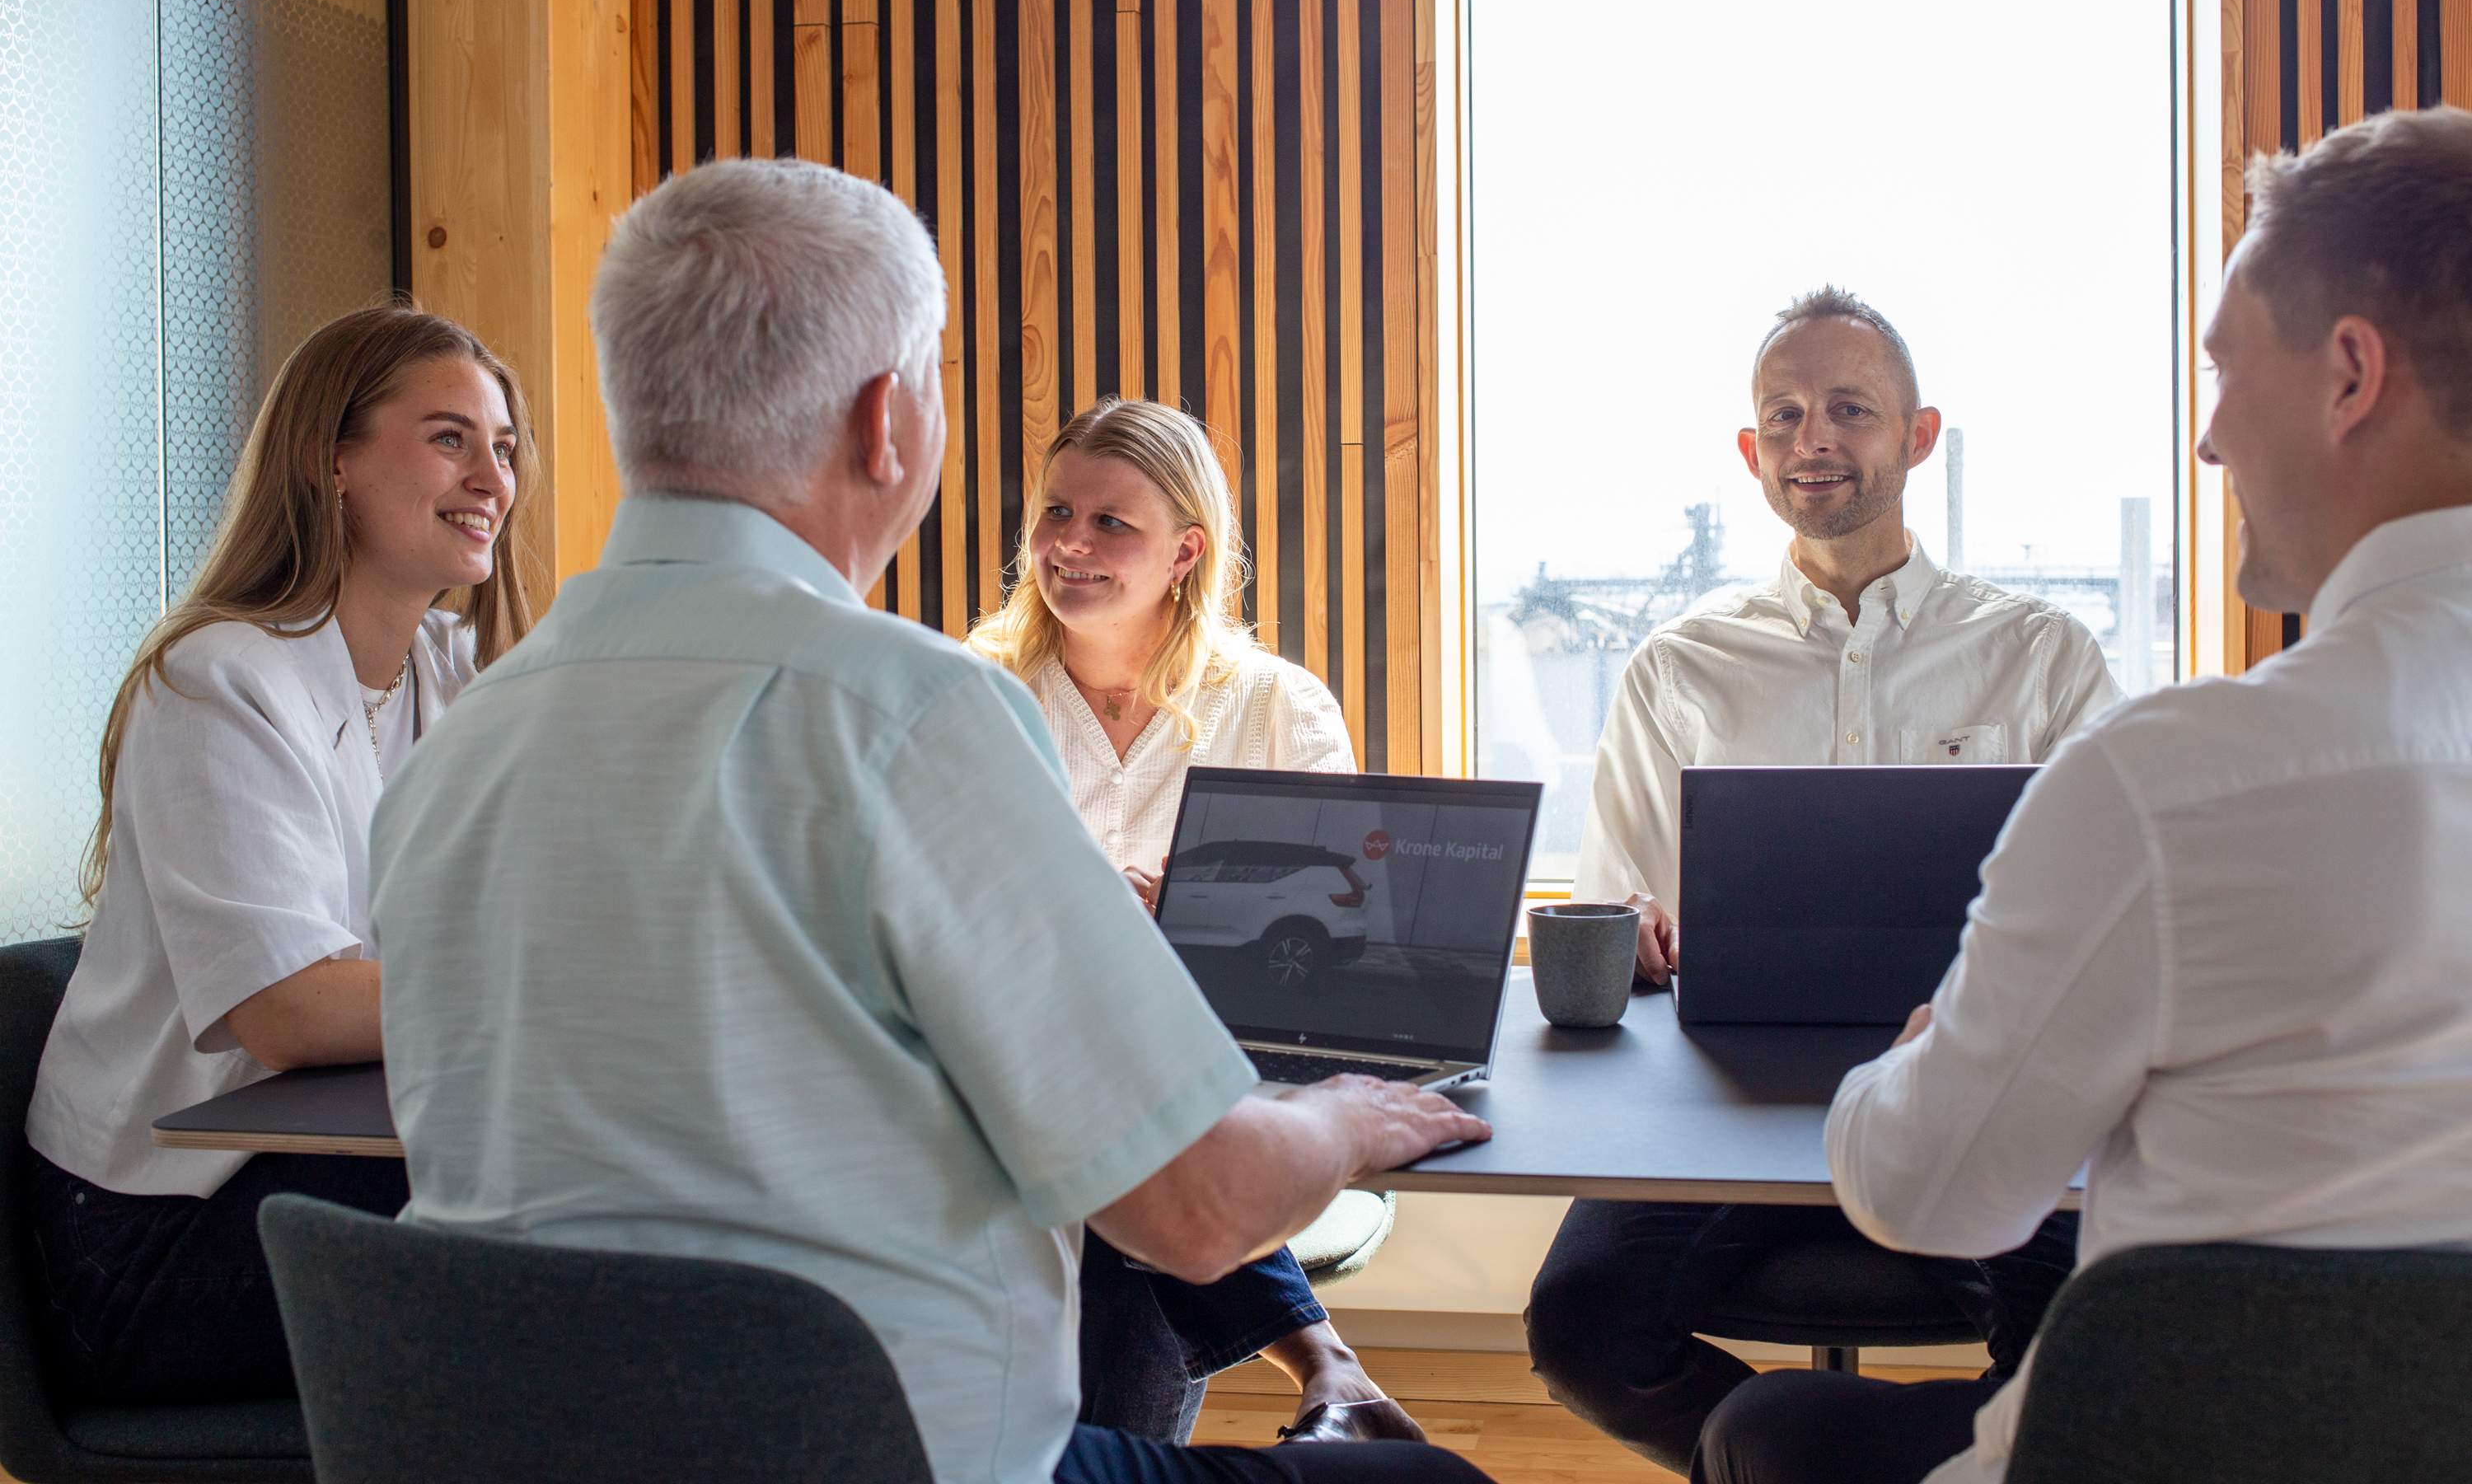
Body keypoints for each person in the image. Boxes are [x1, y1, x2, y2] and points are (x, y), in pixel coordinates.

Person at [365, 158, 1492, 1484]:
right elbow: (1198, 1209)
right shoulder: (908, 713)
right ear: (885, 420)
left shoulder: (465, 739)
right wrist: (1358, 1119)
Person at [1688, 105, 2472, 1484]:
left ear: (2351, 375)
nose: (2212, 441)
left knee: (1768, 1435)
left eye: (2228, 371)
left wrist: (1924, 1052)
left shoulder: (2169, 789)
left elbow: (1933, 1191)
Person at [1524, 287, 2119, 1472]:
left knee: (2081, 1344)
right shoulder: (1678, 668)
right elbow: (1625, 897)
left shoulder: (2044, 656)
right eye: (1786, 415)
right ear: (1752, 451)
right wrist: (1636, 925)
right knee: (1581, 1328)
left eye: (1851, 409)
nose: (1816, 439)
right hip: (1725, 1097)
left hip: (1975, 1083)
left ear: (1920, 435)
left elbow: (2110, 918)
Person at [23, 304, 532, 1404]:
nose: (493, 475)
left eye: (504, 446)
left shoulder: (452, 671)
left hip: (325, 1170)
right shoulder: (220, 680)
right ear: (330, 460)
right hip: (151, 1245)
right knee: (581, 1274)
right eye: (450, 437)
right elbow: (290, 1011)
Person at [969, 396, 1416, 1447]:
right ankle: (1324, 1359)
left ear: (1186, 552)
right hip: (1018, 1083)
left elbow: (1352, 947)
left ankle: (1221, 1406)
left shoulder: (1277, 709)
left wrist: (1195, 923)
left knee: (1126, 1137)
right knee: (1110, 1130)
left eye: (1111, 522)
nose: (1069, 543)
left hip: (1220, 1076)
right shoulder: (974, 693)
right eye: (1055, 511)